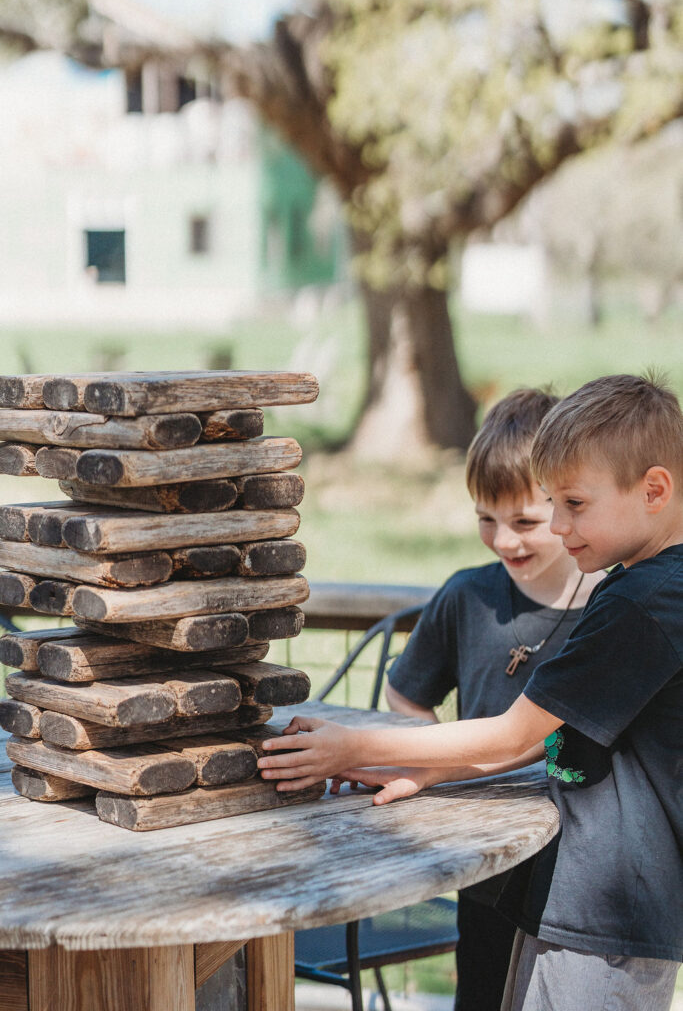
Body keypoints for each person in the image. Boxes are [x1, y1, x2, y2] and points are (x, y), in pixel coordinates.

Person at [258, 373, 683, 1011]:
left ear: (654, 490)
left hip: (603, 911)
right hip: (588, 899)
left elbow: (516, 729)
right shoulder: (648, 586)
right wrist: (426, 767)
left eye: (573, 504)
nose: (561, 527)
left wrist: (348, 748)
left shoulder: (638, 602)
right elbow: (558, 731)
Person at [383, 386, 605, 1011]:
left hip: (577, 867)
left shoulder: (614, 609)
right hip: (485, 867)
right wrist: (441, 770)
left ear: (566, 508)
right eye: (486, 519)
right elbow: (405, 695)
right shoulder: (466, 596)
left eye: (525, 522)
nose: (505, 541)